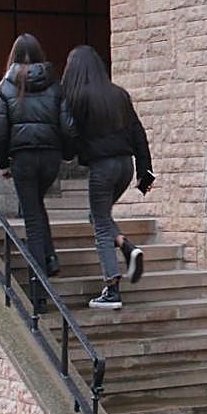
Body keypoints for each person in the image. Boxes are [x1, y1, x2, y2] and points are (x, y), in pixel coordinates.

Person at [60, 45, 155, 309]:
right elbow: (139, 133)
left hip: (102, 168)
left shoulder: (77, 97)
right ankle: (127, 247)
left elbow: (68, 133)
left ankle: (112, 289)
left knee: (100, 225)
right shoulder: (119, 95)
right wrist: (145, 173)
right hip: (125, 166)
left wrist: (70, 152)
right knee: (98, 215)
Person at [0, 34, 65, 281]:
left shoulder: (6, 86)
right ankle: (50, 258)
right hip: (51, 157)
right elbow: (67, 123)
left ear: (14, 56)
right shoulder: (55, 85)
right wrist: (66, 152)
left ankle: (39, 287)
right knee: (35, 205)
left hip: (23, 159)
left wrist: (1, 165)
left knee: (31, 216)